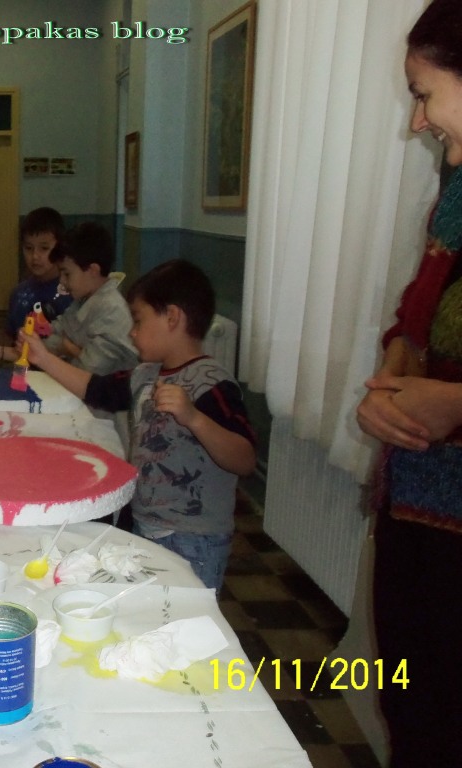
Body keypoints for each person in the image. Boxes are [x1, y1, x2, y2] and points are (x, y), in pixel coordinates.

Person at [355, 1, 462, 761]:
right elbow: (414, 319)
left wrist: (454, 403)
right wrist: (391, 378)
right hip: (421, 502)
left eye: (425, 95)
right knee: (414, 705)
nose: (417, 122)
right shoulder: (454, 199)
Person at [23, 260, 256, 589]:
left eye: (138, 320)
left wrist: (194, 418)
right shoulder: (144, 376)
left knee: (188, 614)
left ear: (172, 317)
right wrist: (44, 359)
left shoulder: (212, 384)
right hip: (144, 529)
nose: (132, 332)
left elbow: (244, 459)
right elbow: (95, 388)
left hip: (194, 540)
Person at [0, 222, 136, 376]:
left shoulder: (112, 312)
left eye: (67, 274)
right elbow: (52, 339)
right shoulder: (82, 301)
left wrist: (67, 348)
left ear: (93, 270)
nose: (62, 281)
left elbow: (87, 375)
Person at [0, 206, 73, 345]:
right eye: (28, 248)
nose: (35, 256)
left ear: (59, 248)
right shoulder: (19, 294)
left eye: (44, 248)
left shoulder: (72, 292)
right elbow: (13, 344)